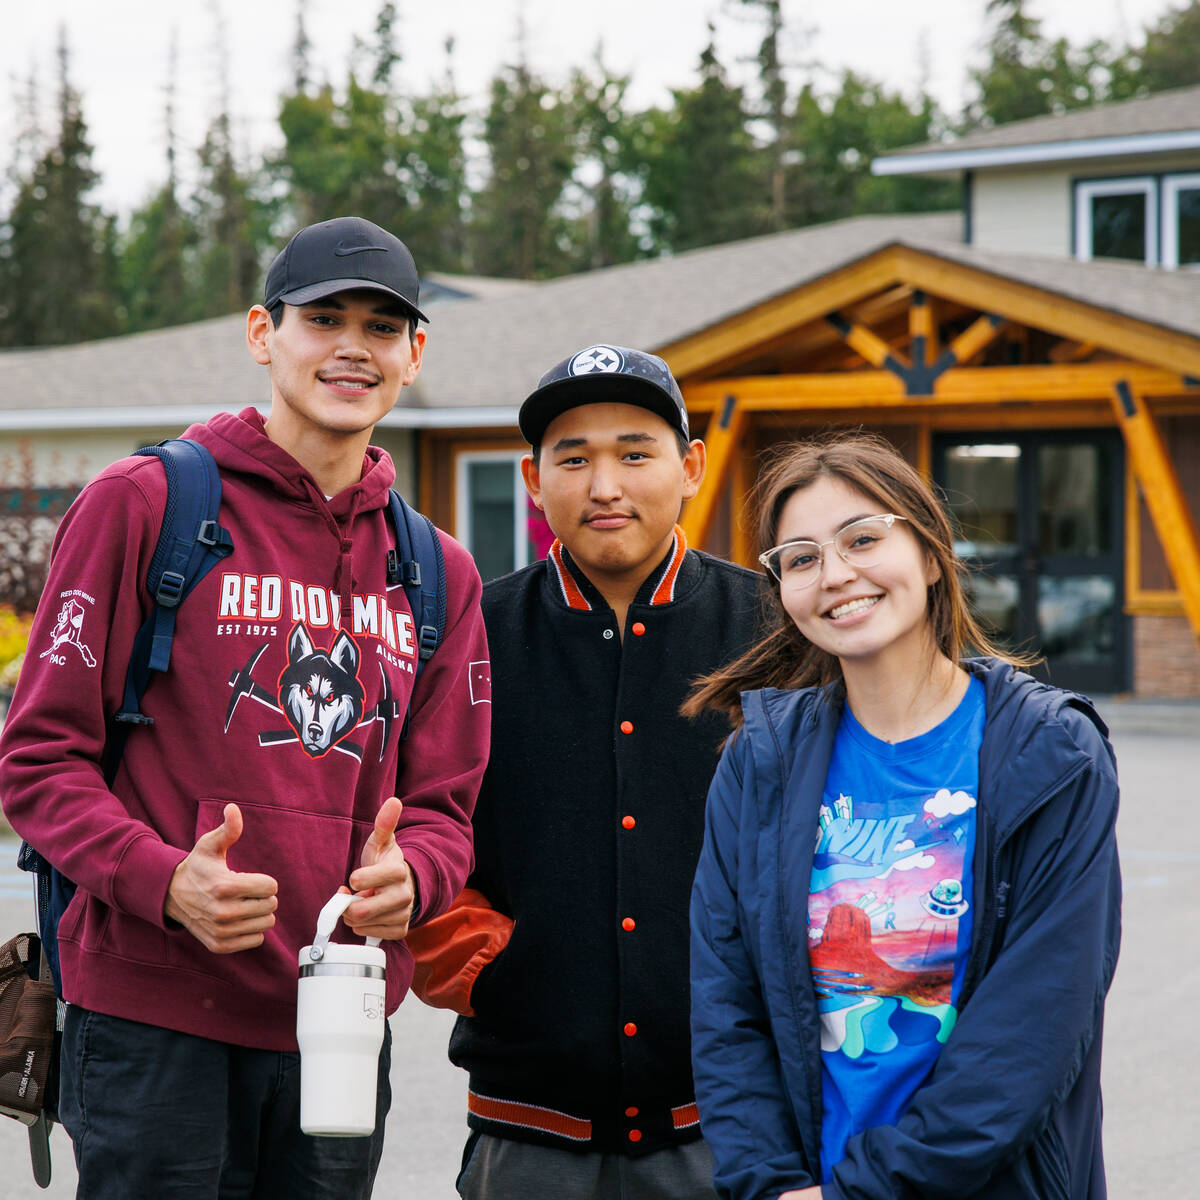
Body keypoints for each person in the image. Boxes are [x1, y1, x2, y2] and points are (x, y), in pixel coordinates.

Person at [0, 216, 490, 1199]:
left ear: (413, 355)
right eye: (324, 318)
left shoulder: (438, 571)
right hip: (153, 1024)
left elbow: (446, 807)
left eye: (383, 326)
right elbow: (38, 758)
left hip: (340, 1031)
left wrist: (419, 876)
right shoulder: (145, 506)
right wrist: (163, 878)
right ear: (264, 333)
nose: (354, 345)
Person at [685, 432, 1122, 1200]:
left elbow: (1032, 1034)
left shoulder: (1054, 756)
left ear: (928, 553)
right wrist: (770, 1185)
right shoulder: (759, 762)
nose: (836, 574)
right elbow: (726, 1006)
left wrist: (859, 1192)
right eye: (800, 557)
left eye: (862, 538)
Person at [405, 344, 764, 1199]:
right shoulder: (469, 634)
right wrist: (487, 969)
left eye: (636, 453)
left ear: (691, 467)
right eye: (574, 458)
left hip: (727, 1121)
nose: (605, 485)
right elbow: (415, 824)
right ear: (533, 479)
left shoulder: (774, 632)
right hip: (525, 1127)